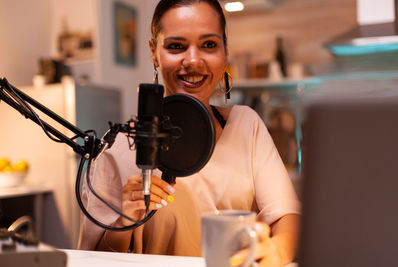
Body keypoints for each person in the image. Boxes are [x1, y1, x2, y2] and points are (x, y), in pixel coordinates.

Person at [77, 0, 301, 266]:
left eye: (208, 45)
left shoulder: (246, 125)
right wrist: (124, 221)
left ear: (225, 50)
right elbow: (95, 258)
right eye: (176, 46)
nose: (193, 61)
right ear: (153, 52)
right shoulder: (117, 151)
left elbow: (287, 216)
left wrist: (278, 249)